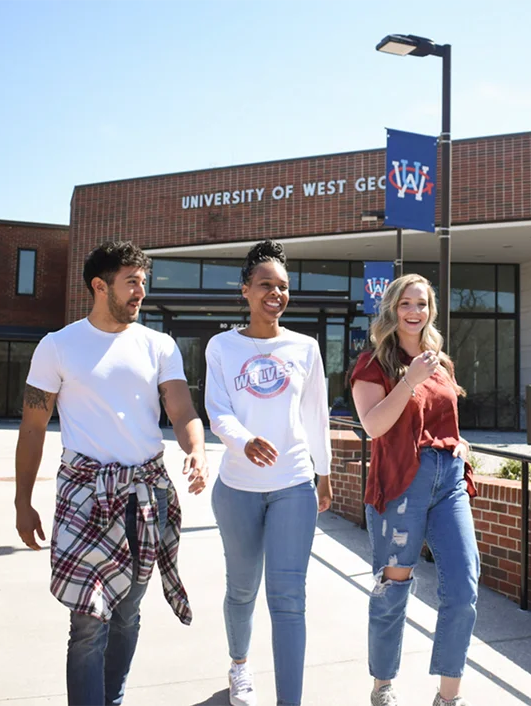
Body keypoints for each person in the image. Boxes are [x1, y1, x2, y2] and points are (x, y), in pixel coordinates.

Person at [14, 240, 208, 706]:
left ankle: (112, 697)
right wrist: (23, 501)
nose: (141, 291)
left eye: (144, 282)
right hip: (84, 495)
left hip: (146, 494)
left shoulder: (158, 345)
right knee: (87, 621)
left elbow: (182, 410)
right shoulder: (57, 346)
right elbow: (33, 426)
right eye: (132, 282)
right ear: (99, 286)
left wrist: (196, 449)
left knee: (126, 614)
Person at [204, 240, 333, 706]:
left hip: (293, 485)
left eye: (282, 287)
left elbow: (317, 414)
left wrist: (324, 472)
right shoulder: (222, 346)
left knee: (288, 598)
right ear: (245, 290)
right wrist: (243, 439)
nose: (275, 293)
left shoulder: (305, 347)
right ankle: (240, 666)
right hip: (237, 487)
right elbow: (216, 410)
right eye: (265, 285)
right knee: (241, 590)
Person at [350, 274, 479, 706]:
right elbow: (373, 426)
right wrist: (410, 380)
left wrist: (458, 443)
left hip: (449, 481)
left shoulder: (439, 360)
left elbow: (443, 417)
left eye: (422, 305)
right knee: (395, 586)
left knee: (463, 588)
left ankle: (448, 697)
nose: (414, 312)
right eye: (406, 304)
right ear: (392, 309)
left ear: (431, 311)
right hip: (403, 482)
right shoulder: (373, 364)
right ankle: (383, 685)